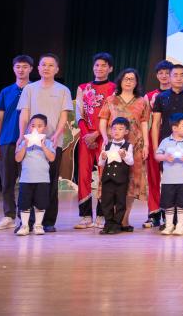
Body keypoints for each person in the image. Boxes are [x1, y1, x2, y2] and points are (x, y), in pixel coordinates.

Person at [17, 53, 74, 232]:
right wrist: (22, 135)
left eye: (51, 65)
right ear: (38, 68)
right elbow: (24, 113)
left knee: (50, 182)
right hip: (30, 142)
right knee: (28, 181)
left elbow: (64, 115)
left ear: (57, 69)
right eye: (43, 64)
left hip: (51, 143)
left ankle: (48, 221)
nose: (46, 68)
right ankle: (26, 221)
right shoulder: (29, 89)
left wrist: (57, 135)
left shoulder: (63, 90)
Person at [98, 68, 150, 232]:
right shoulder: (111, 100)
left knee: (131, 184)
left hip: (135, 147)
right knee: (112, 183)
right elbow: (103, 120)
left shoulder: (142, 101)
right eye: (126, 78)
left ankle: (124, 220)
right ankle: (111, 220)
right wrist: (105, 139)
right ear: (120, 81)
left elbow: (144, 123)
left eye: (132, 79)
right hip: (114, 146)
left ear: (136, 83)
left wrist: (146, 144)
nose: (128, 81)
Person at [74, 52, 116, 230]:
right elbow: (79, 114)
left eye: (104, 65)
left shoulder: (114, 88)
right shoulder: (83, 88)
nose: (100, 68)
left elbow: (113, 115)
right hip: (86, 137)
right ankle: (85, 216)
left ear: (110, 69)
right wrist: (86, 135)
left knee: (104, 175)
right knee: (83, 175)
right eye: (97, 65)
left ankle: (101, 214)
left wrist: (98, 134)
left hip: (104, 137)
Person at [150, 64, 183, 229]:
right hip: (167, 146)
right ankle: (167, 219)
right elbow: (156, 124)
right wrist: (156, 148)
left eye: (182, 75)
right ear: (169, 77)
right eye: (175, 75)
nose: (178, 78)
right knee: (168, 184)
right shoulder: (161, 97)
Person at [0, 54, 33, 231]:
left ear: (31, 69)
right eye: (18, 67)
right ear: (13, 69)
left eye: (25, 66)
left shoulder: (34, 89)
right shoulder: (6, 91)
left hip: (29, 141)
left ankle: (26, 216)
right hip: (7, 141)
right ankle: (8, 216)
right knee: (7, 181)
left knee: (27, 181)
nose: (21, 70)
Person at [154, 113, 183, 236]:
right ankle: (169, 225)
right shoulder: (165, 141)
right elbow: (157, 156)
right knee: (168, 204)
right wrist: (165, 157)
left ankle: (180, 226)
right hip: (168, 180)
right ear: (174, 128)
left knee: (182, 204)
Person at [143, 60, 174, 228]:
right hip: (154, 138)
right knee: (153, 178)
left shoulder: (176, 94)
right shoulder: (149, 96)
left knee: (171, 178)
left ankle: (170, 214)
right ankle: (154, 213)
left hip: (173, 140)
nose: (164, 76)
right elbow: (145, 121)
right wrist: (147, 144)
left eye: (167, 73)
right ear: (156, 76)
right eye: (161, 73)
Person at [14, 114, 56, 236]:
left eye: (39, 126)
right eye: (33, 126)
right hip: (26, 179)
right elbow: (17, 159)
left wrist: (43, 146)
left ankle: (38, 225)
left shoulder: (48, 143)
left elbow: (52, 158)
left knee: (40, 203)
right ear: (29, 127)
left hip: (42, 179)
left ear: (45, 128)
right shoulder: (24, 142)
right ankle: (25, 225)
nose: (36, 128)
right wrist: (25, 146)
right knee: (24, 203)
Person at [98, 117, 134, 235]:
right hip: (107, 179)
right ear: (110, 131)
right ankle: (108, 224)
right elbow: (100, 163)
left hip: (121, 180)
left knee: (120, 203)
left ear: (126, 131)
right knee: (106, 202)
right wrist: (103, 157)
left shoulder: (128, 146)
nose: (117, 131)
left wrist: (124, 156)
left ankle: (117, 224)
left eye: (120, 129)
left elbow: (131, 162)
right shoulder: (106, 145)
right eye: (114, 129)